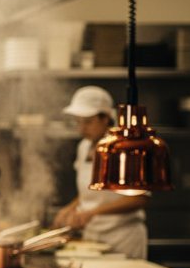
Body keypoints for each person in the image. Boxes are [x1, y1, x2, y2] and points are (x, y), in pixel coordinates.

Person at [52, 86, 149, 258]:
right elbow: (88, 193)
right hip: (93, 238)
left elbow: (139, 198)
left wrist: (92, 213)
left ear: (106, 118)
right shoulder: (84, 146)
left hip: (123, 237)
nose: (81, 129)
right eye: (78, 121)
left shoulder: (124, 148)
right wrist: (69, 208)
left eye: (88, 122)